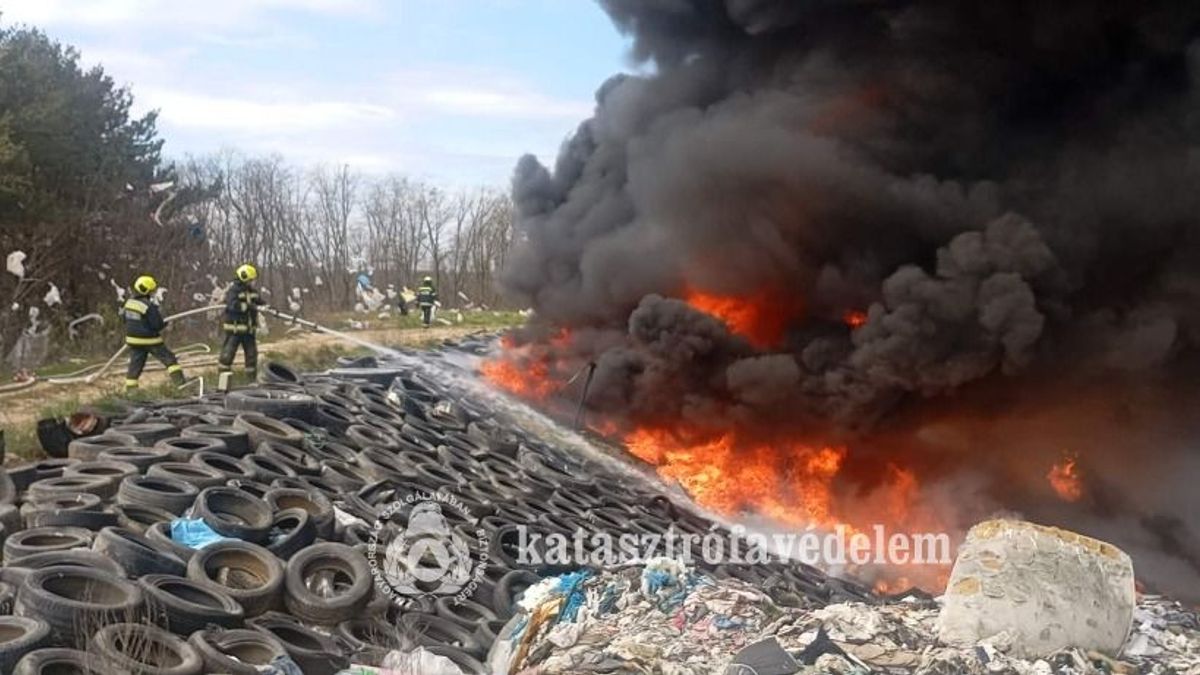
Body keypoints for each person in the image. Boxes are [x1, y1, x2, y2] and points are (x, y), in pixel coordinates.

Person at [121, 275, 187, 391]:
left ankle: (131, 391)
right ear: (147, 291)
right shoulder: (149, 306)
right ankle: (181, 384)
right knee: (170, 359)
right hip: (150, 340)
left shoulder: (128, 303)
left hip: (133, 341)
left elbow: (124, 319)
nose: (153, 293)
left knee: (135, 366)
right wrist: (166, 323)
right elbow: (157, 325)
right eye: (152, 291)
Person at [218, 263, 265, 387]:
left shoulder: (252, 291)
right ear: (245, 278)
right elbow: (232, 305)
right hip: (234, 330)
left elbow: (258, 300)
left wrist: (264, 305)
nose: (254, 282)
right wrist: (249, 307)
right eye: (252, 279)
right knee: (227, 355)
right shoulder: (233, 290)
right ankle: (223, 382)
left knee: (251, 356)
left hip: (249, 331)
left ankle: (251, 381)